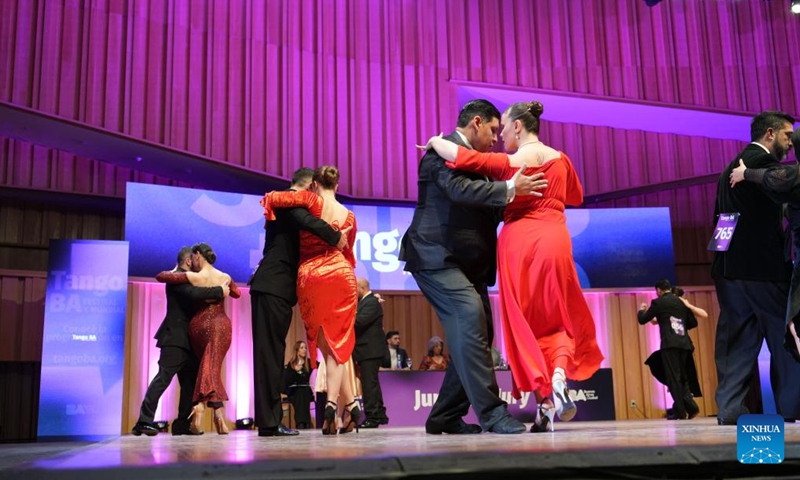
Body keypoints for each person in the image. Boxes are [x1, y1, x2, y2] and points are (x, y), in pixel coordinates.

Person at [419, 100, 603, 432]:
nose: (498, 137)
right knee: (553, 321)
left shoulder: (508, 162)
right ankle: (530, 393)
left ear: (517, 126)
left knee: (516, 327)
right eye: (493, 130)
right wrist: (525, 192)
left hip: (518, 245)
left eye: (501, 128)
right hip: (549, 241)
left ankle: (539, 398)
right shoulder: (560, 159)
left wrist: (434, 140)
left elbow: (466, 160)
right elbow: (576, 196)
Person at [401, 99, 548, 435]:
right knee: (469, 317)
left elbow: (489, 206)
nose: (497, 137)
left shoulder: (482, 164)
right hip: (436, 257)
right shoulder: (443, 151)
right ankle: (493, 413)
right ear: (477, 123)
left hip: (470, 267)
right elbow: (458, 189)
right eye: (494, 130)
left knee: (478, 334)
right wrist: (511, 188)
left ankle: (445, 416)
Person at [712, 111, 800, 425]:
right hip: (763, 270)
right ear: (770, 133)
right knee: (784, 337)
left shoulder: (728, 168)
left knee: (736, 343)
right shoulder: (759, 164)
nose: (791, 142)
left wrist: (721, 263)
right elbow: (790, 183)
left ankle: (730, 409)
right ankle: (792, 407)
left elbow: (722, 220)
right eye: (788, 135)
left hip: (729, 270)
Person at [261, 166, 360, 435]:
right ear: (337, 186)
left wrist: (270, 200)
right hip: (341, 274)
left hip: (312, 276)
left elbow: (274, 198)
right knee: (339, 348)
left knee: (327, 347)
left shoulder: (311, 199)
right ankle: (340, 405)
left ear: (315, 184)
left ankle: (342, 406)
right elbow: (348, 253)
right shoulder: (349, 214)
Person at [132, 247, 229, 436]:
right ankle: (143, 421)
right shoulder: (178, 278)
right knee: (163, 379)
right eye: (195, 261)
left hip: (188, 341)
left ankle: (182, 424)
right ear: (188, 261)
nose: (198, 265)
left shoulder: (186, 277)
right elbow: (194, 294)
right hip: (175, 339)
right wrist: (219, 290)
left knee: (190, 384)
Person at [729, 126, 800, 364]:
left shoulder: (795, 176)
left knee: (794, 326)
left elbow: (773, 179)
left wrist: (745, 173)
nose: (789, 144)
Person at [156, 243, 241, 434]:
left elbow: (162, 276)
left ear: (198, 255)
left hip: (198, 326)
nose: (192, 261)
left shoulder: (195, 276)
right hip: (220, 325)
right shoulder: (224, 277)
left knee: (207, 367)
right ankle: (206, 409)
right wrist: (221, 289)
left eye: (194, 257)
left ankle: (206, 408)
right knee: (212, 367)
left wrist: (177, 274)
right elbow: (237, 293)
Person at [638, 279, 700, 420]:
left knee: (672, 378)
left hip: (670, 345)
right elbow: (693, 323)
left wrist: (641, 309)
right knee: (681, 377)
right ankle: (690, 407)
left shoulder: (658, 302)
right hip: (684, 345)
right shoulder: (680, 302)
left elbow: (643, 319)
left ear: (659, 290)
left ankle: (681, 412)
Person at [353, 278, 390, 429]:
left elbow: (359, 322)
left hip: (370, 350)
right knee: (372, 383)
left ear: (362, 288)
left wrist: (344, 318)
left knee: (369, 385)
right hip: (367, 350)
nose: (354, 293)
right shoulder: (368, 301)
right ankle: (379, 414)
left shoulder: (371, 302)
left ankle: (372, 417)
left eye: (355, 289)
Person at [282, 341, 314, 429]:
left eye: (305, 348)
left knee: (304, 391)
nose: (304, 350)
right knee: (300, 392)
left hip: (305, 391)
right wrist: (294, 371)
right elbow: (288, 380)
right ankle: (302, 422)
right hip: (294, 391)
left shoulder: (308, 363)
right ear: (297, 350)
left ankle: (304, 422)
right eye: (302, 348)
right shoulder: (291, 364)